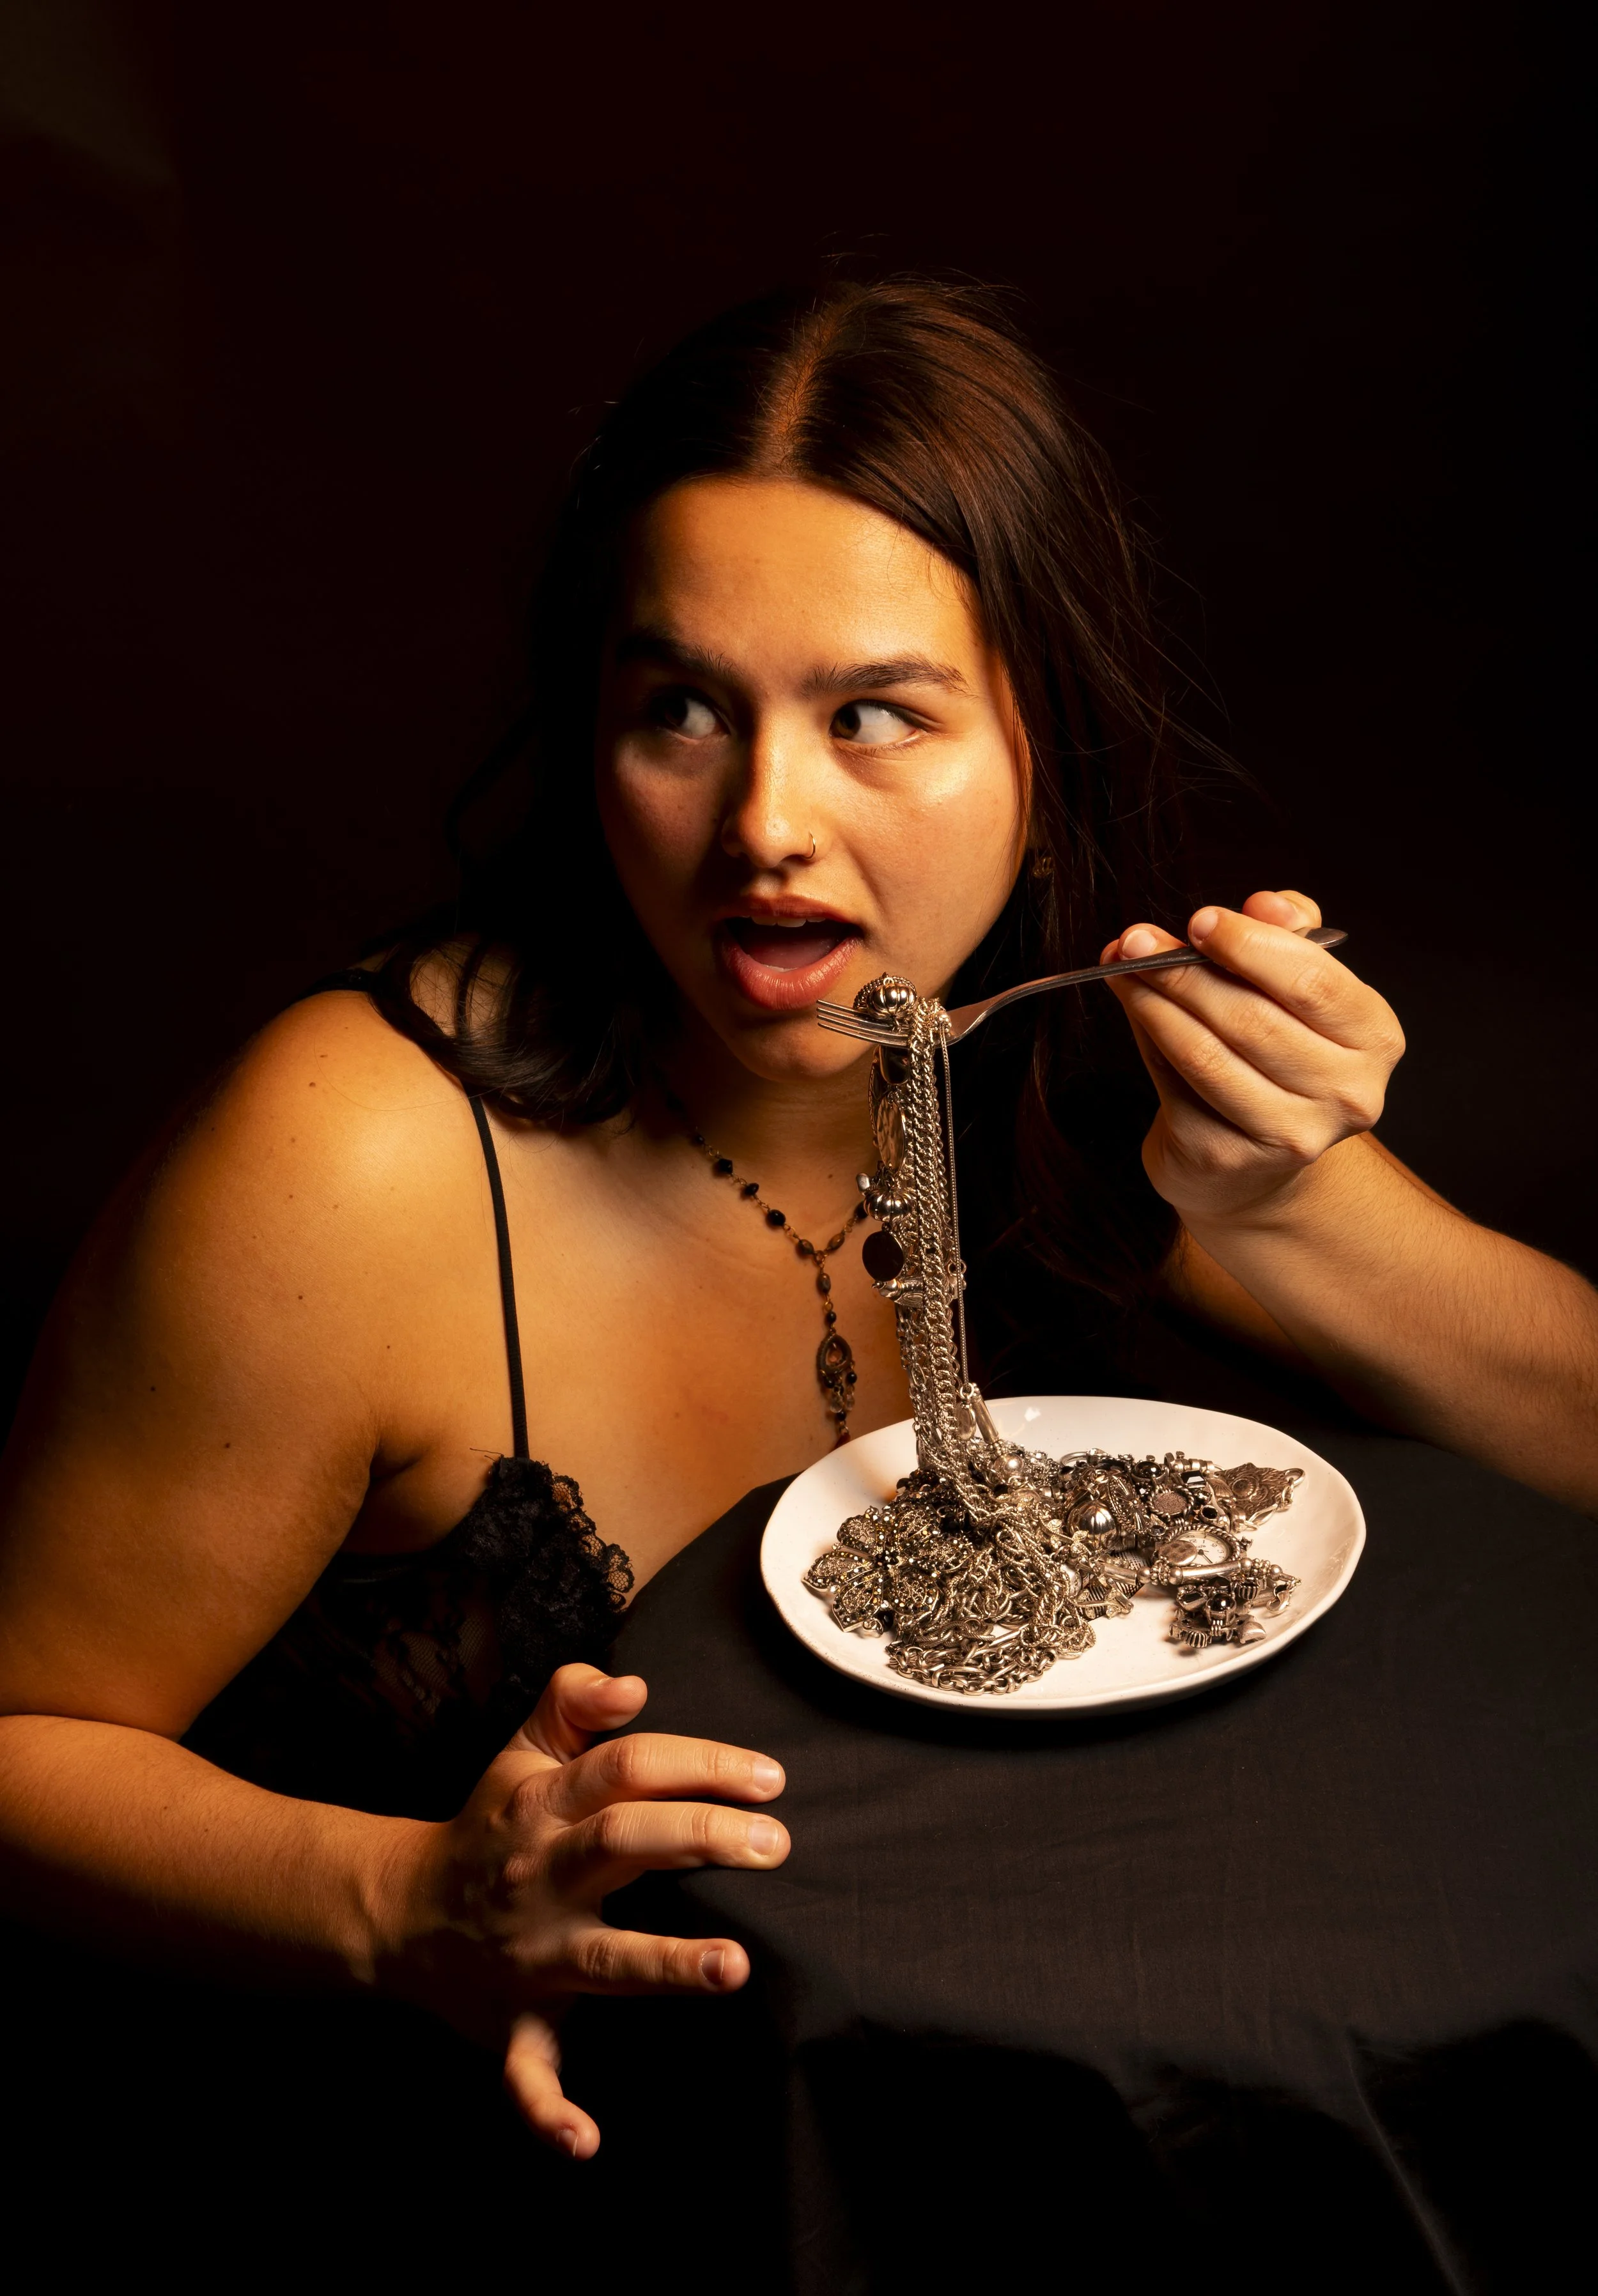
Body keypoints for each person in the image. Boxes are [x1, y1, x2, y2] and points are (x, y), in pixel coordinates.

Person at [1, 280, 1593, 2173]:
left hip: (969, 2127)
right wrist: (403, 1902)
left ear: (1042, 738)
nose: (765, 821)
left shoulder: (1068, 1069)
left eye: (875, 717)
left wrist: (1297, 1207)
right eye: (680, 710)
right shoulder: (351, 1158)